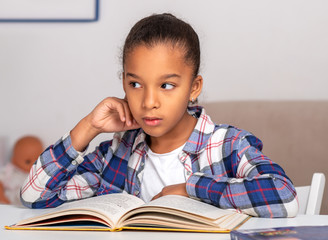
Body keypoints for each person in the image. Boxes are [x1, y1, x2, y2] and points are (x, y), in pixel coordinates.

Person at [20, 13, 298, 218]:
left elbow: (284, 197)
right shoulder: (117, 154)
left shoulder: (227, 146)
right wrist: (88, 127)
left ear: (193, 88)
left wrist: (191, 189)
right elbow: (35, 196)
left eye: (166, 86)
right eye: (135, 84)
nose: (149, 102)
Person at [0, 136, 43, 205]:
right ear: (14, 160)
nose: (33, 165)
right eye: (28, 162)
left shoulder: (40, 174)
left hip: (28, 208)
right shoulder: (9, 171)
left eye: (37, 160)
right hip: (9, 204)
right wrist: (4, 201)